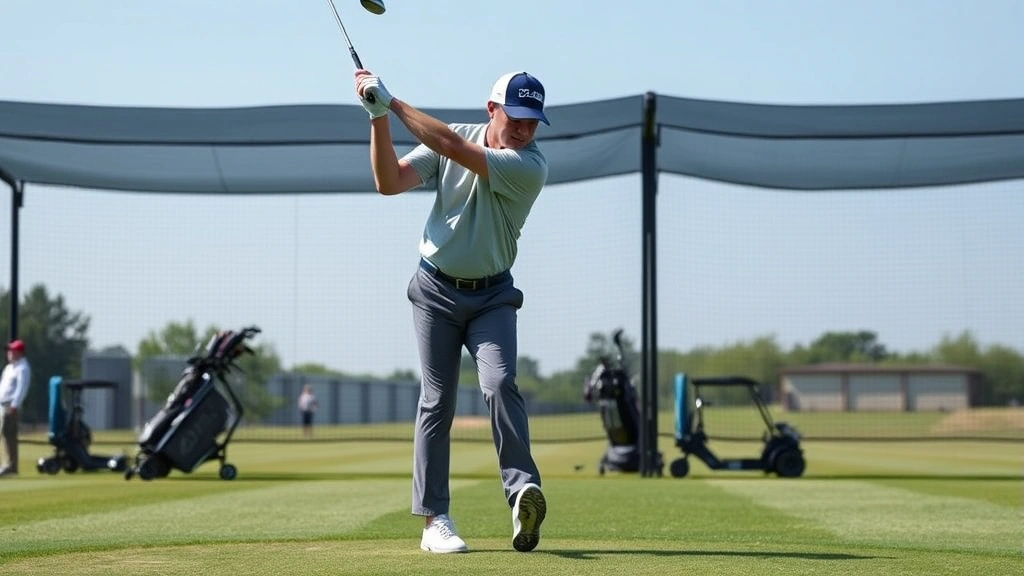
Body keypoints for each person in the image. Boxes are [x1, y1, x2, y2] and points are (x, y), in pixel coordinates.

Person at [354, 69, 549, 553]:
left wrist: (394, 103)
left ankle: (522, 491)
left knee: (500, 382)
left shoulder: (530, 166)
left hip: (493, 296)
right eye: (517, 117)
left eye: (533, 121)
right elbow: (389, 181)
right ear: (492, 110)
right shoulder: (457, 136)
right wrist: (378, 117)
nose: (525, 130)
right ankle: (434, 521)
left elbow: (454, 149)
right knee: (436, 401)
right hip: (435, 290)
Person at [0, 339, 31, 477]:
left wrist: (14, 405)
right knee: (4, 434)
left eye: (12, 351)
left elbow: (21, 388)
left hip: (10, 406)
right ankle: (7, 463)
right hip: (2, 404)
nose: (9, 353)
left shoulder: (23, 368)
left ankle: (11, 465)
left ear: (19, 352)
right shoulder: (9, 368)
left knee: (9, 435)